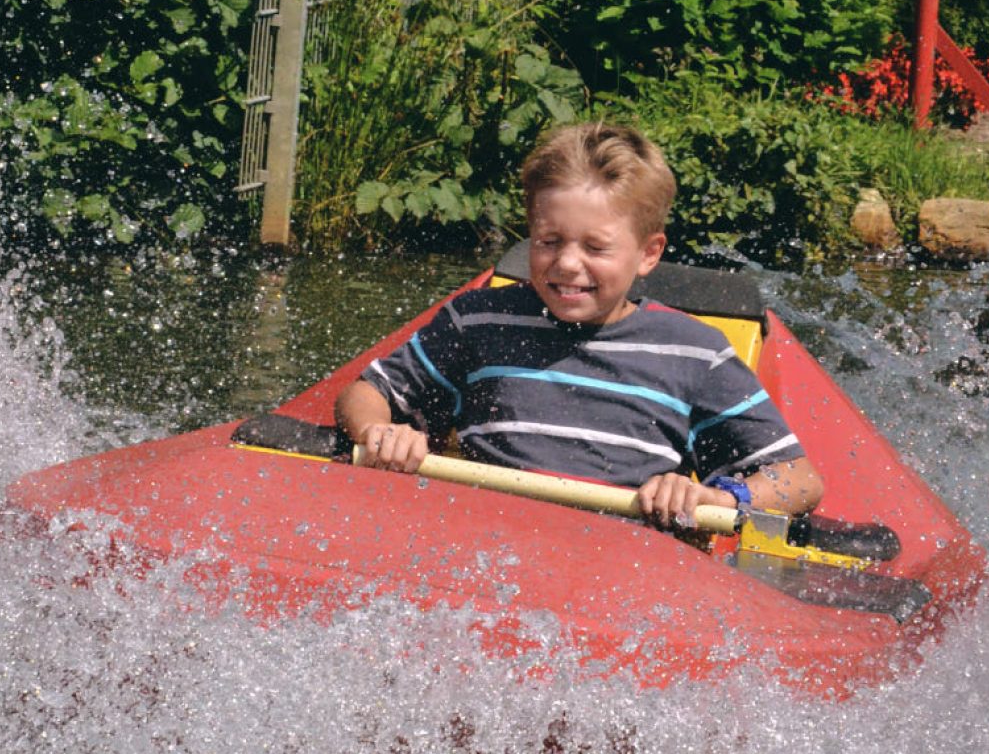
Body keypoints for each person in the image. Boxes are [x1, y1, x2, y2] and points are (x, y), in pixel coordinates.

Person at [335, 122, 823, 532]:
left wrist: (720, 495)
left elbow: (798, 479)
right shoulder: (478, 321)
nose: (567, 264)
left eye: (595, 248)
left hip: (625, 570)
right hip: (481, 544)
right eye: (549, 241)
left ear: (648, 253)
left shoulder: (696, 353)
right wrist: (379, 431)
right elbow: (365, 393)